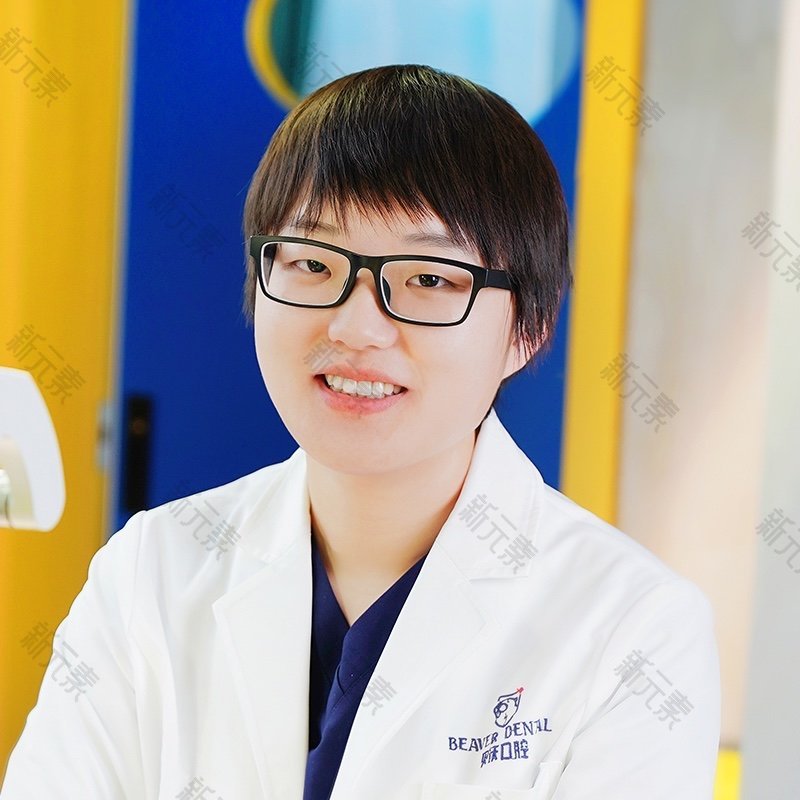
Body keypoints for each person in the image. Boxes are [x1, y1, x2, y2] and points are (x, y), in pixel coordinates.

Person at [1, 64, 720, 800]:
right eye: (313, 263)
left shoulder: (633, 630)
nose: (355, 327)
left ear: (527, 328)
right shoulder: (149, 572)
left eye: (429, 278)